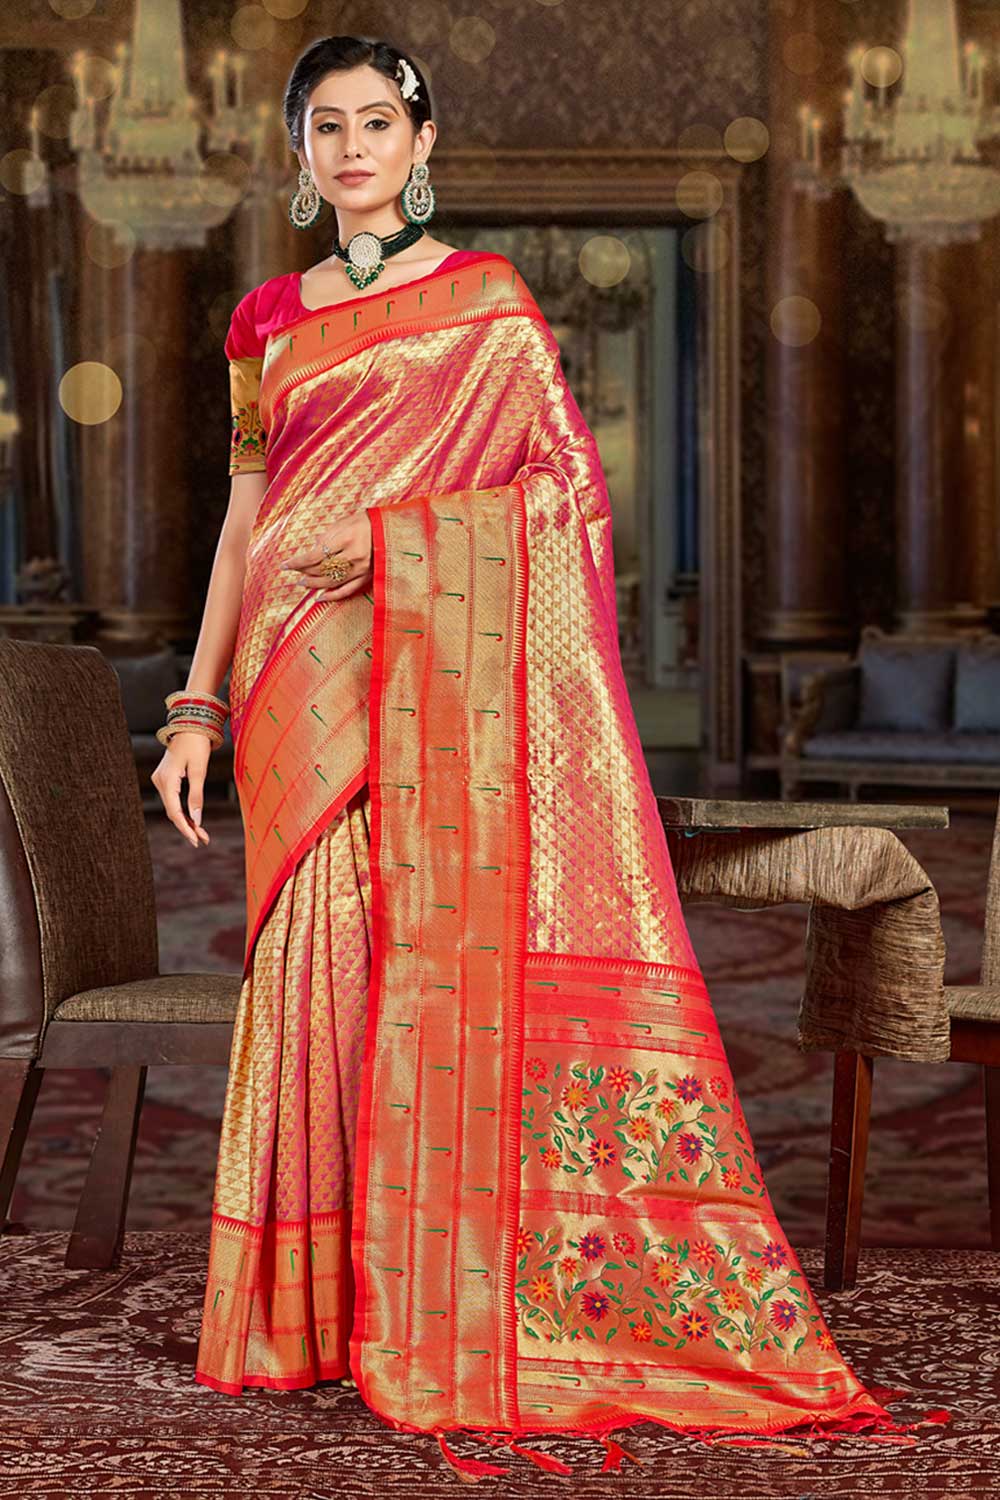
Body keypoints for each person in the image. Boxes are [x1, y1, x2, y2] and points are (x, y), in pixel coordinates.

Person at [151, 32, 912, 1480]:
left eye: (378, 123)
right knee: (317, 977)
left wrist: (393, 546)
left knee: (414, 977)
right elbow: (247, 520)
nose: (354, 148)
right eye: (327, 126)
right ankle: (311, 1313)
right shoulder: (262, 320)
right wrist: (195, 707)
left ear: (423, 142)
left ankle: (429, 1293)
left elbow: (562, 500)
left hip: (424, 676)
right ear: (298, 151)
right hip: (294, 684)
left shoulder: (487, 305)